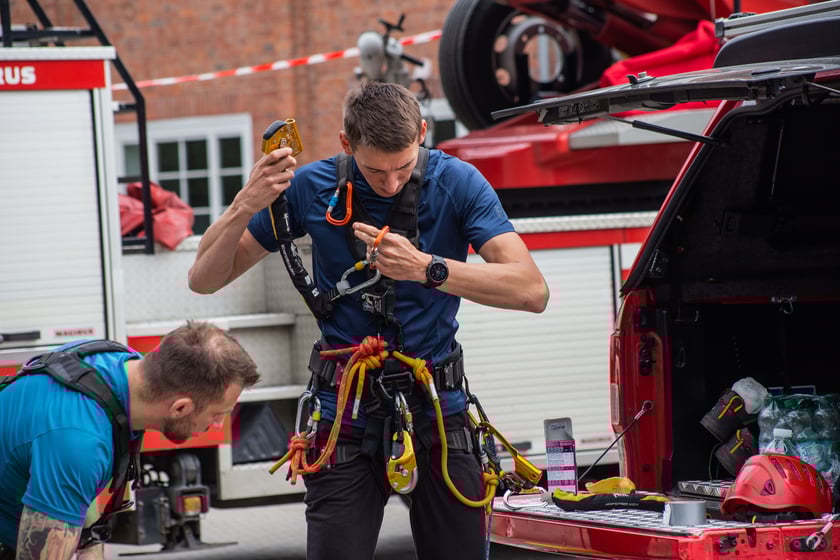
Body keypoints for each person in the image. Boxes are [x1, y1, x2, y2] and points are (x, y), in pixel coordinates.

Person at [188, 81, 548, 560]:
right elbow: (205, 279)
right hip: (344, 417)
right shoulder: (312, 189)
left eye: (403, 167)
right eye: (376, 171)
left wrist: (427, 268)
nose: (392, 182)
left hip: (438, 411)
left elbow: (532, 290)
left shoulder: (457, 183)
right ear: (346, 143)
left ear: (422, 132)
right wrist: (244, 204)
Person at [0, 321, 260, 560]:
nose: (218, 425)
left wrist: (90, 543)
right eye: (218, 414)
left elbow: (80, 484)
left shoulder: (117, 362)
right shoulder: (79, 444)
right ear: (180, 408)